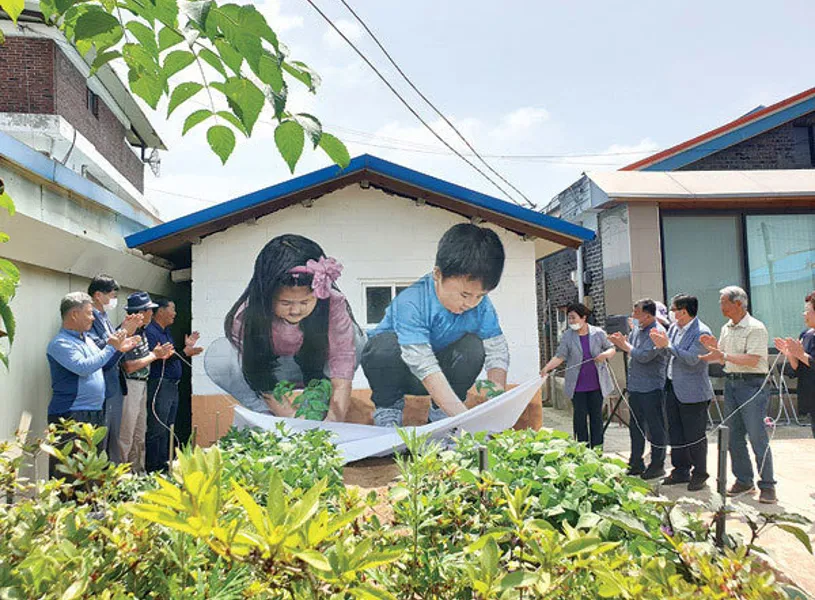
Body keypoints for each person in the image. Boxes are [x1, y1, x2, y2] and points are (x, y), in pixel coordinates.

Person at [362, 223, 509, 427]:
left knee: (474, 347)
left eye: (480, 295)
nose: (471, 303)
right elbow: (423, 364)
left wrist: (497, 397)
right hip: (402, 374)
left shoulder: (481, 306)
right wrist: (465, 419)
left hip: (444, 376)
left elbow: (496, 350)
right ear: (438, 275)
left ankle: (441, 416)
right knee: (382, 346)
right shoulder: (411, 302)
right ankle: (389, 411)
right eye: (465, 294)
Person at [217, 234, 365, 421]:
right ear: (267, 295)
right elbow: (259, 372)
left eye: (306, 301)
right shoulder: (245, 317)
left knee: (357, 339)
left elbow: (342, 360)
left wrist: (334, 420)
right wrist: (292, 420)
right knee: (219, 355)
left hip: (317, 369)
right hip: (273, 372)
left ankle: (315, 410)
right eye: (285, 303)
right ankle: (266, 415)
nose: (296, 310)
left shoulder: (332, 303)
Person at [46, 292, 139, 478]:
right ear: (74, 314)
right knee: (70, 473)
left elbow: (102, 361)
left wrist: (119, 349)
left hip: (94, 411)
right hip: (71, 414)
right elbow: (83, 368)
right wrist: (113, 347)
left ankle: (89, 506)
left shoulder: (87, 339)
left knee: (91, 470)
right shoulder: (60, 343)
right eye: (89, 313)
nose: (92, 318)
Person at [699, 286, 775, 504]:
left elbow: (753, 359)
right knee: (732, 436)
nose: (721, 306)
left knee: (757, 435)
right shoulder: (726, 328)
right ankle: (744, 479)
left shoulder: (755, 328)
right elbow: (724, 358)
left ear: (738, 304)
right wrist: (712, 350)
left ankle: (768, 485)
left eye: (724, 302)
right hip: (732, 384)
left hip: (752, 385)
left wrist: (722, 354)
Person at [650, 294, 713, 492]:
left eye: (674, 309)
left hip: (693, 391)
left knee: (694, 434)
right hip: (672, 386)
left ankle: (700, 473)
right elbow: (671, 352)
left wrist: (667, 345)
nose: (672, 312)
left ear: (683, 311)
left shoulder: (701, 332)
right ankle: (680, 470)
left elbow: (693, 359)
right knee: (675, 432)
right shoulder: (676, 328)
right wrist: (662, 346)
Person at [609, 299, 669, 479]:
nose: (633, 316)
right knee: (635, 425)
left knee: (655, 427)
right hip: (635, 386)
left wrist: (625, 346)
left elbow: (644, 356)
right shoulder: (637, 329)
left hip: (652, 387)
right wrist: (621, 342)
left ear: (648, 315)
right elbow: (633, 351)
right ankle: (636, 461)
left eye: (637, 313)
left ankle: (657, 464)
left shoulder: (657, 332)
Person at [541, 303, 615, 448]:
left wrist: (604, 355)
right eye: (569, 318)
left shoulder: (598, 333)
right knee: (579, 419)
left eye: (574, 318)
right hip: (578, 385)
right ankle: (582, 450)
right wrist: (547, 368)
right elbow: (560, 356)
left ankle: (597, 450)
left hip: (596, 383)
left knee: (596, 418)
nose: (572, 321)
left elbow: (611, 348)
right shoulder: (568, 336)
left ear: (583, 318)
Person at [86, 275, 142, 463]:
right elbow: (102, 348)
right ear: (98, 295)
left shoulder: (104, 317)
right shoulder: (90, 318)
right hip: (103, 384)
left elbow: (114, 344)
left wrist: (127, 338)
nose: (113, 299)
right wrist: (124, 332)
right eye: (111, 294)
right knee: (103, 440)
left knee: (113, 438)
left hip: (114, 384)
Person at [144, 298, 202, 473]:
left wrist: (186, 349)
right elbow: (158, 358)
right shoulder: (151, 332)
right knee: (158, 426)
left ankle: (165, 463)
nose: (175, 313)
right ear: (160, 311)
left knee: (169, 426)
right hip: (160, 384)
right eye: (172, 309)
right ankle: (154, 467)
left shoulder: (166, 331)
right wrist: (184, 352)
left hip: (172, 385)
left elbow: (171, 356)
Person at [119, 292, 173, 472]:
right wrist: (154, 356)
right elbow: (128, 366)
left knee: (139, 433)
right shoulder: (126, 333)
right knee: (126, 434)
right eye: (150, 310)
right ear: (141, 312)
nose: (152, 313)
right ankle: (121, 476)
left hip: (142, 384)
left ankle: (137, 472)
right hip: (130, 385)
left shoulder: (142, 333)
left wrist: (157, 354)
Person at [776, 291, 815, 439]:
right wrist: (790, 354)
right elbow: (798, 369)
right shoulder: (806, 334)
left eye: (807, 311)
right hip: (810, 394)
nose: (804, 314)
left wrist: (800, 354)